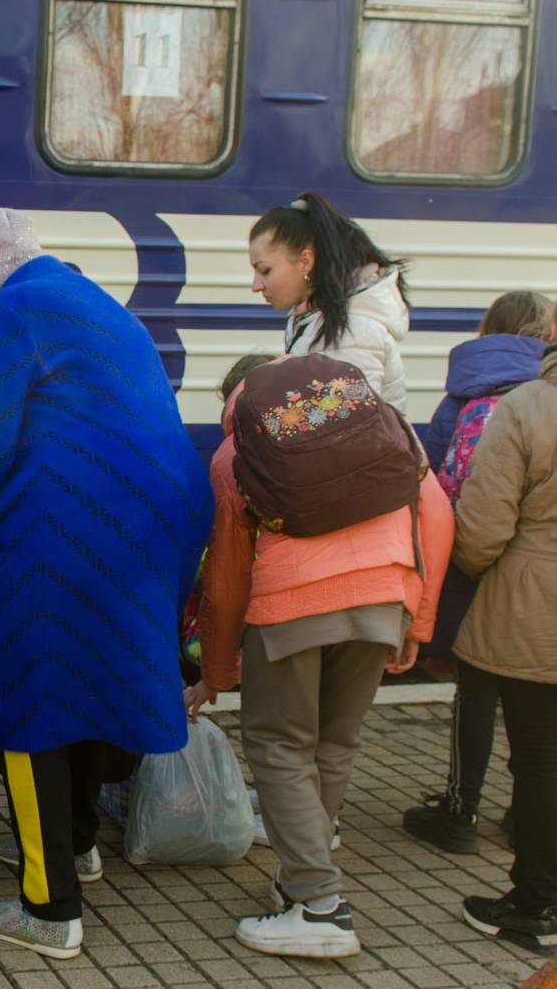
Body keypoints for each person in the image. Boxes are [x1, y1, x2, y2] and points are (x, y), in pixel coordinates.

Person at [0, 209, 212, 959]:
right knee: (87, 682)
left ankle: (48, 907)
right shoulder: (100, 306)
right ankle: (79, 845)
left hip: (70, 531)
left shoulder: (9, 310)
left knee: (30, 698)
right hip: (153, 525)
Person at [187, 365, 453, 959]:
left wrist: (217, 670)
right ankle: (301, 879)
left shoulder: (237, 451)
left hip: (293, 608)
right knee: (334, 742)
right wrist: (422, 619)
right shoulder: (383, 422)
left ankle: (319, 905)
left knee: (280, 744)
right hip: (386, 594)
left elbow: (227, 575)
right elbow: (435, 514)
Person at [404, 290, 551, 854]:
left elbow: (435, 480)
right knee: (538, 700)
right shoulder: (543, 397)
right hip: (540, 569)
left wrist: (460, 564)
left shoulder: (463, 395)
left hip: (478, 559)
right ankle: (526, 812)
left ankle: (460, 811)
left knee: (476, 691)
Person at [453, 334, 557, 955]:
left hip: (535, 603)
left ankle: (536, 902)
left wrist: (476, 568)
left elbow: (485, 525)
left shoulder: (527, 406)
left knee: (541, 760)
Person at [249, 192, 411, 412]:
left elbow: (348, 430)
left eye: (265, 270)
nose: (256, 285)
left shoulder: (352, 330)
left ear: (305, 262)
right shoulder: (318, 320)